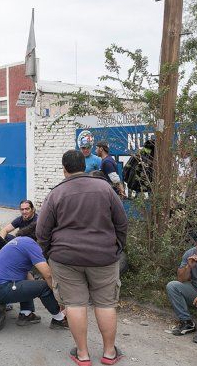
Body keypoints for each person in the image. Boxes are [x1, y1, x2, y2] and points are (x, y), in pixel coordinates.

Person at [37, 149, 129, 366]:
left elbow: (42, 231)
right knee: (106, 304)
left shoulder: (55, 194)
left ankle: (83, 355)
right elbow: (121, 222)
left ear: (64, 168)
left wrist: (49, 252)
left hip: (66, 259)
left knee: (75, 304)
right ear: (85, 165)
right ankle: (109, 353)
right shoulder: (105, 188)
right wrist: (118, 246)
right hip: (104, 257)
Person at [0, 236, 68, 329]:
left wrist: (36, 289)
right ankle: (59, 320)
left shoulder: (20, 242)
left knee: (29, 280)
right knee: (44, 286)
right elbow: (48, 275)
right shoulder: (31, 244)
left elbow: (29, 279)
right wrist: (59, 299)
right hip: (1, 289)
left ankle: (26, 314)